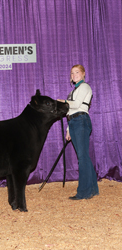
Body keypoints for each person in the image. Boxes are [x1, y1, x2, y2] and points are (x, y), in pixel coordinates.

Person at [57, 64, 99, 200]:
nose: (74, 75)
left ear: (83, 73)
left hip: (81, 120)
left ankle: (84, 192)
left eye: (77, 72)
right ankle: (92, 189)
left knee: (82, 157)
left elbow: (75, 104)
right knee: (84, 157)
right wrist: (69, 129)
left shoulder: (85, 87)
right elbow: (70, 111)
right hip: (74, 122)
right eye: (72, 73)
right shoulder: (73, 91)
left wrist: (63, 101)